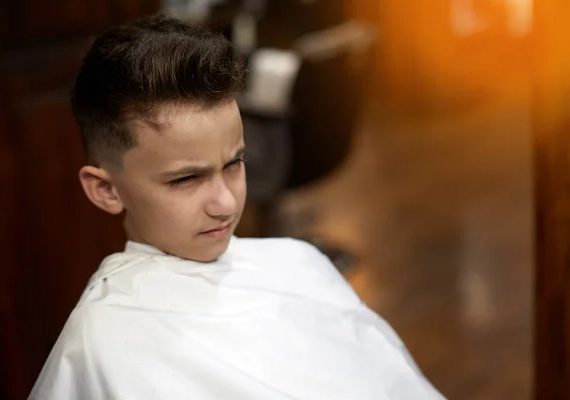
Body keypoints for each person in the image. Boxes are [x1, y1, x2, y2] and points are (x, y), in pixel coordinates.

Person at [29, 13, 446, 400]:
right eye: (185, 179)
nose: (226, 203)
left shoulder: (299, 263)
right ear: (105, 190)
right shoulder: (100, 343)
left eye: (235, 163)